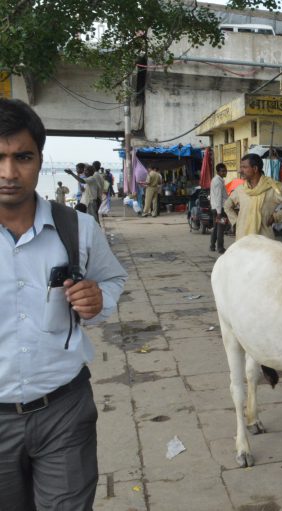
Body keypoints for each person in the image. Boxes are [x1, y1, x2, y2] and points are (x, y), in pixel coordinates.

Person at [0, 98, 127, 510]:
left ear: (40, 158)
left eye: (22, 157)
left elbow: (113, 279)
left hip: (63, 412)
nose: (9, 173)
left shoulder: (78, 228)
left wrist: (97, 298)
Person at [224, 153, 282, 240]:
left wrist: (276, 217)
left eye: (244, 167)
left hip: (264, 241)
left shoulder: (273, 188)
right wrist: (236, 222)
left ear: (255, 168)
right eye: (241, 167)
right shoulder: (240, 189)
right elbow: (227, 206)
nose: (240, 171)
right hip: (243, 239)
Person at [209, 163, 229, 254]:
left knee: (216, 227)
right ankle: (220, 248)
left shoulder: (218, 180)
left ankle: (212, 245)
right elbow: (218, 197)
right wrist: (219, 212)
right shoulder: (217, 182)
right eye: (223, 171)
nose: (225, 172)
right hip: (219, 209)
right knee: (220, 228)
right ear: (218, 172)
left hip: (217, 208)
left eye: (225, 170)